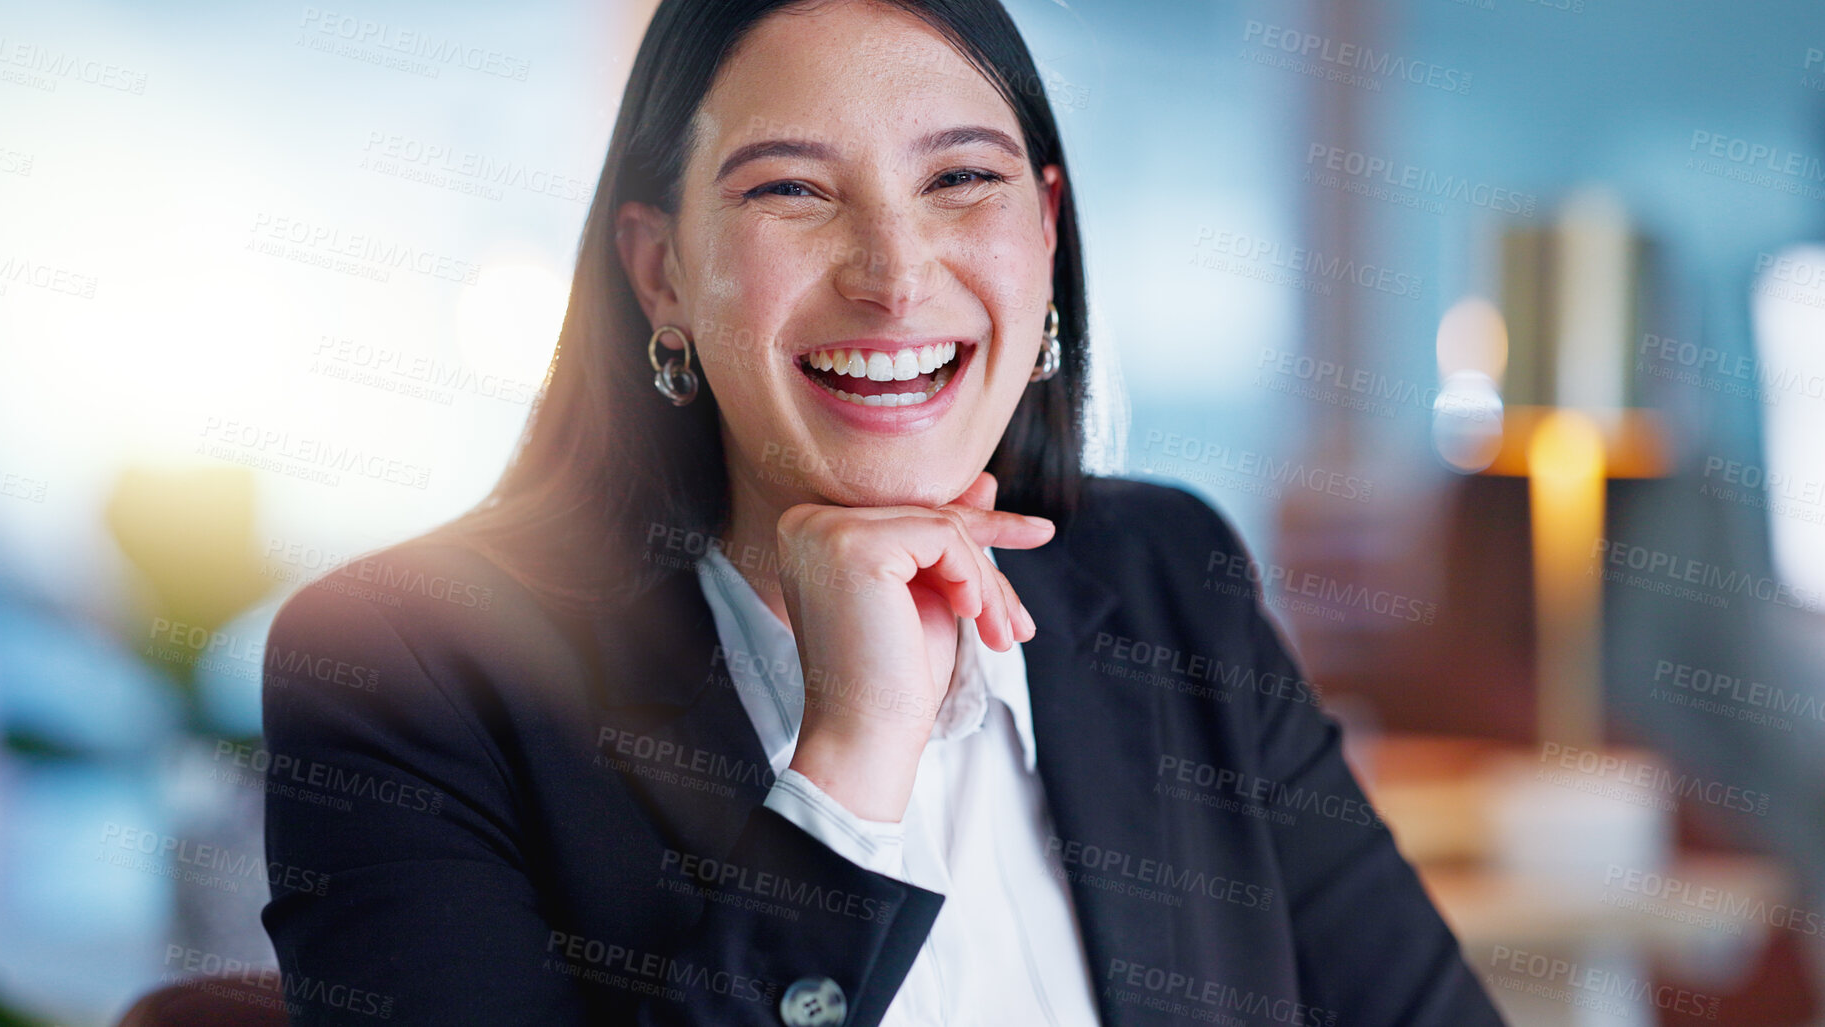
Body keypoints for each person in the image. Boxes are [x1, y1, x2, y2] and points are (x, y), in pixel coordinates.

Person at [259, 1, 1507, 1024]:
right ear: (662, 272)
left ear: (1048, 225)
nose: (895, 274)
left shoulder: (1169, 574)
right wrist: (848, 772)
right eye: (791, 191)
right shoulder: (407, 667)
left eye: (963, 178)